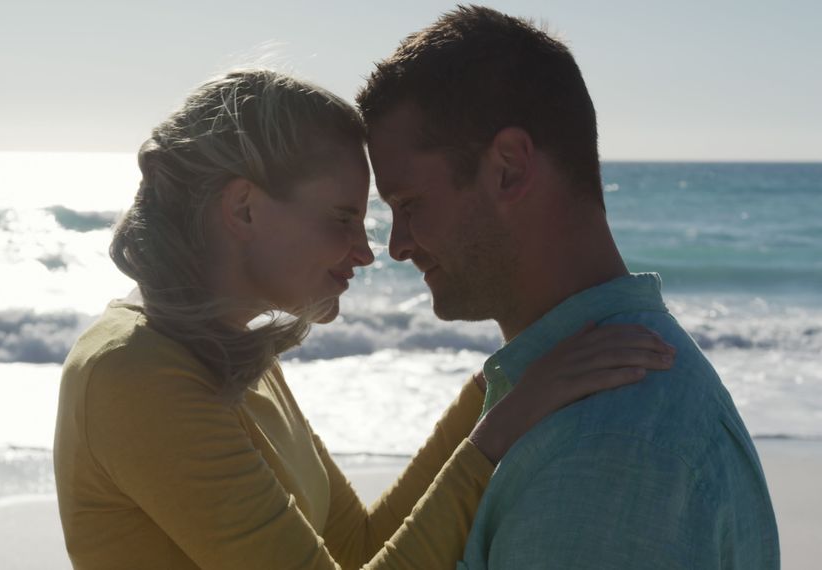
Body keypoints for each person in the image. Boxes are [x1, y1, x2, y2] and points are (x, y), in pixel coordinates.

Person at [53, 69, 675, 569]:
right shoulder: (134, 375)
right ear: (243, 209)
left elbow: (356, 548)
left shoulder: (230, 353)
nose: (366, 251)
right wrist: (499, 431)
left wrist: (497, 387)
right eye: (342, 218)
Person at [356, 5, 779, 569]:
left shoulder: (606, 449)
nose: (398, 245)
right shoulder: (583, 397)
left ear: (508, 167)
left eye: (409, 205)